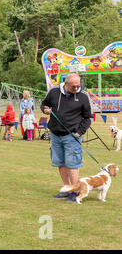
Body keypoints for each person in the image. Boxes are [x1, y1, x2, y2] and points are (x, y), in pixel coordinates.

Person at [41, 73, 92, 202]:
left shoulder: (83, 96)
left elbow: (88, 118)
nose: (76, 89)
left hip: (72, 135)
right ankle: (67, 189)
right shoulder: (54, 92)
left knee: (72, 164)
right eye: (73, 86)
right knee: (60, 163)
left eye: (78, 86)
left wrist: (79, 132)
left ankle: (75, 192)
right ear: (66, 83)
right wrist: (45, 109)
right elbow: (44, 104)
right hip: (55, 134)